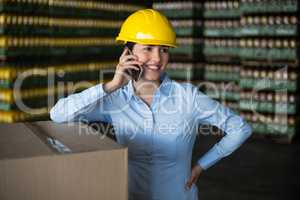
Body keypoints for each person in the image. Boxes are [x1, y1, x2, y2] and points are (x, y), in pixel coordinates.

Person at [50, 9, 252, 200]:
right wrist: (111, 85)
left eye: (164, 50)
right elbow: (58, 114)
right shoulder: (114, 100)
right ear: (127, 52)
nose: (157, 58)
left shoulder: (188, 97)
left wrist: (201, 166)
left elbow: (240, 128)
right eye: (148, 48)